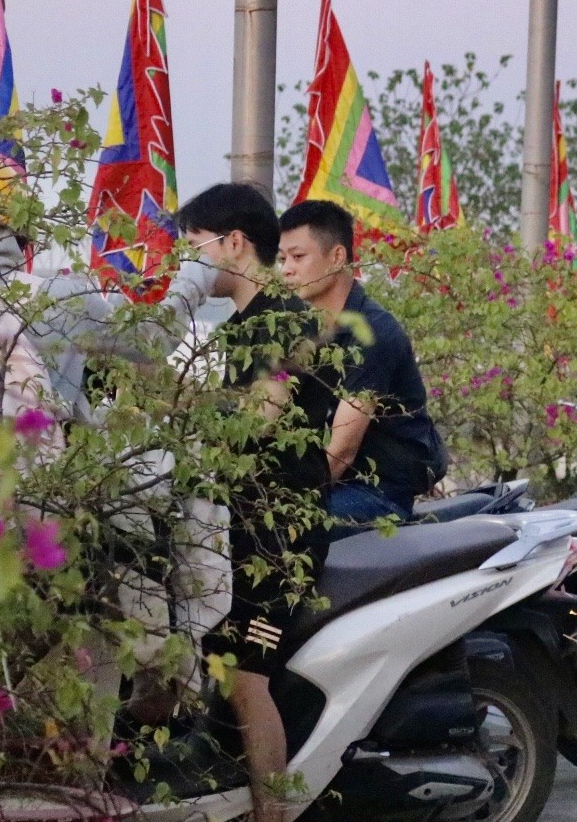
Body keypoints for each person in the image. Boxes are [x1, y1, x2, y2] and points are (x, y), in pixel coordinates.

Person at [177, 183, 340, 822]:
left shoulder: (282, 322)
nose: (189, 263)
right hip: (244, 524)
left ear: (234, 243)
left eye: (195, 248)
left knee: (248, 677)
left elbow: (260, 420)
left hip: (282, 536)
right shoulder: (249, 324)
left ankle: (274, 815)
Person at [276, 200, 445, 529]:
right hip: (333, 486)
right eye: (282, 259)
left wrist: (284, 504)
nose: (286, 269)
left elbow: (341, 451)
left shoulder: (372, 333)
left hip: (376, 492)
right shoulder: (308, 332)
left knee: (276, 531)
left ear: (337, 257)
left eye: (298, 257)